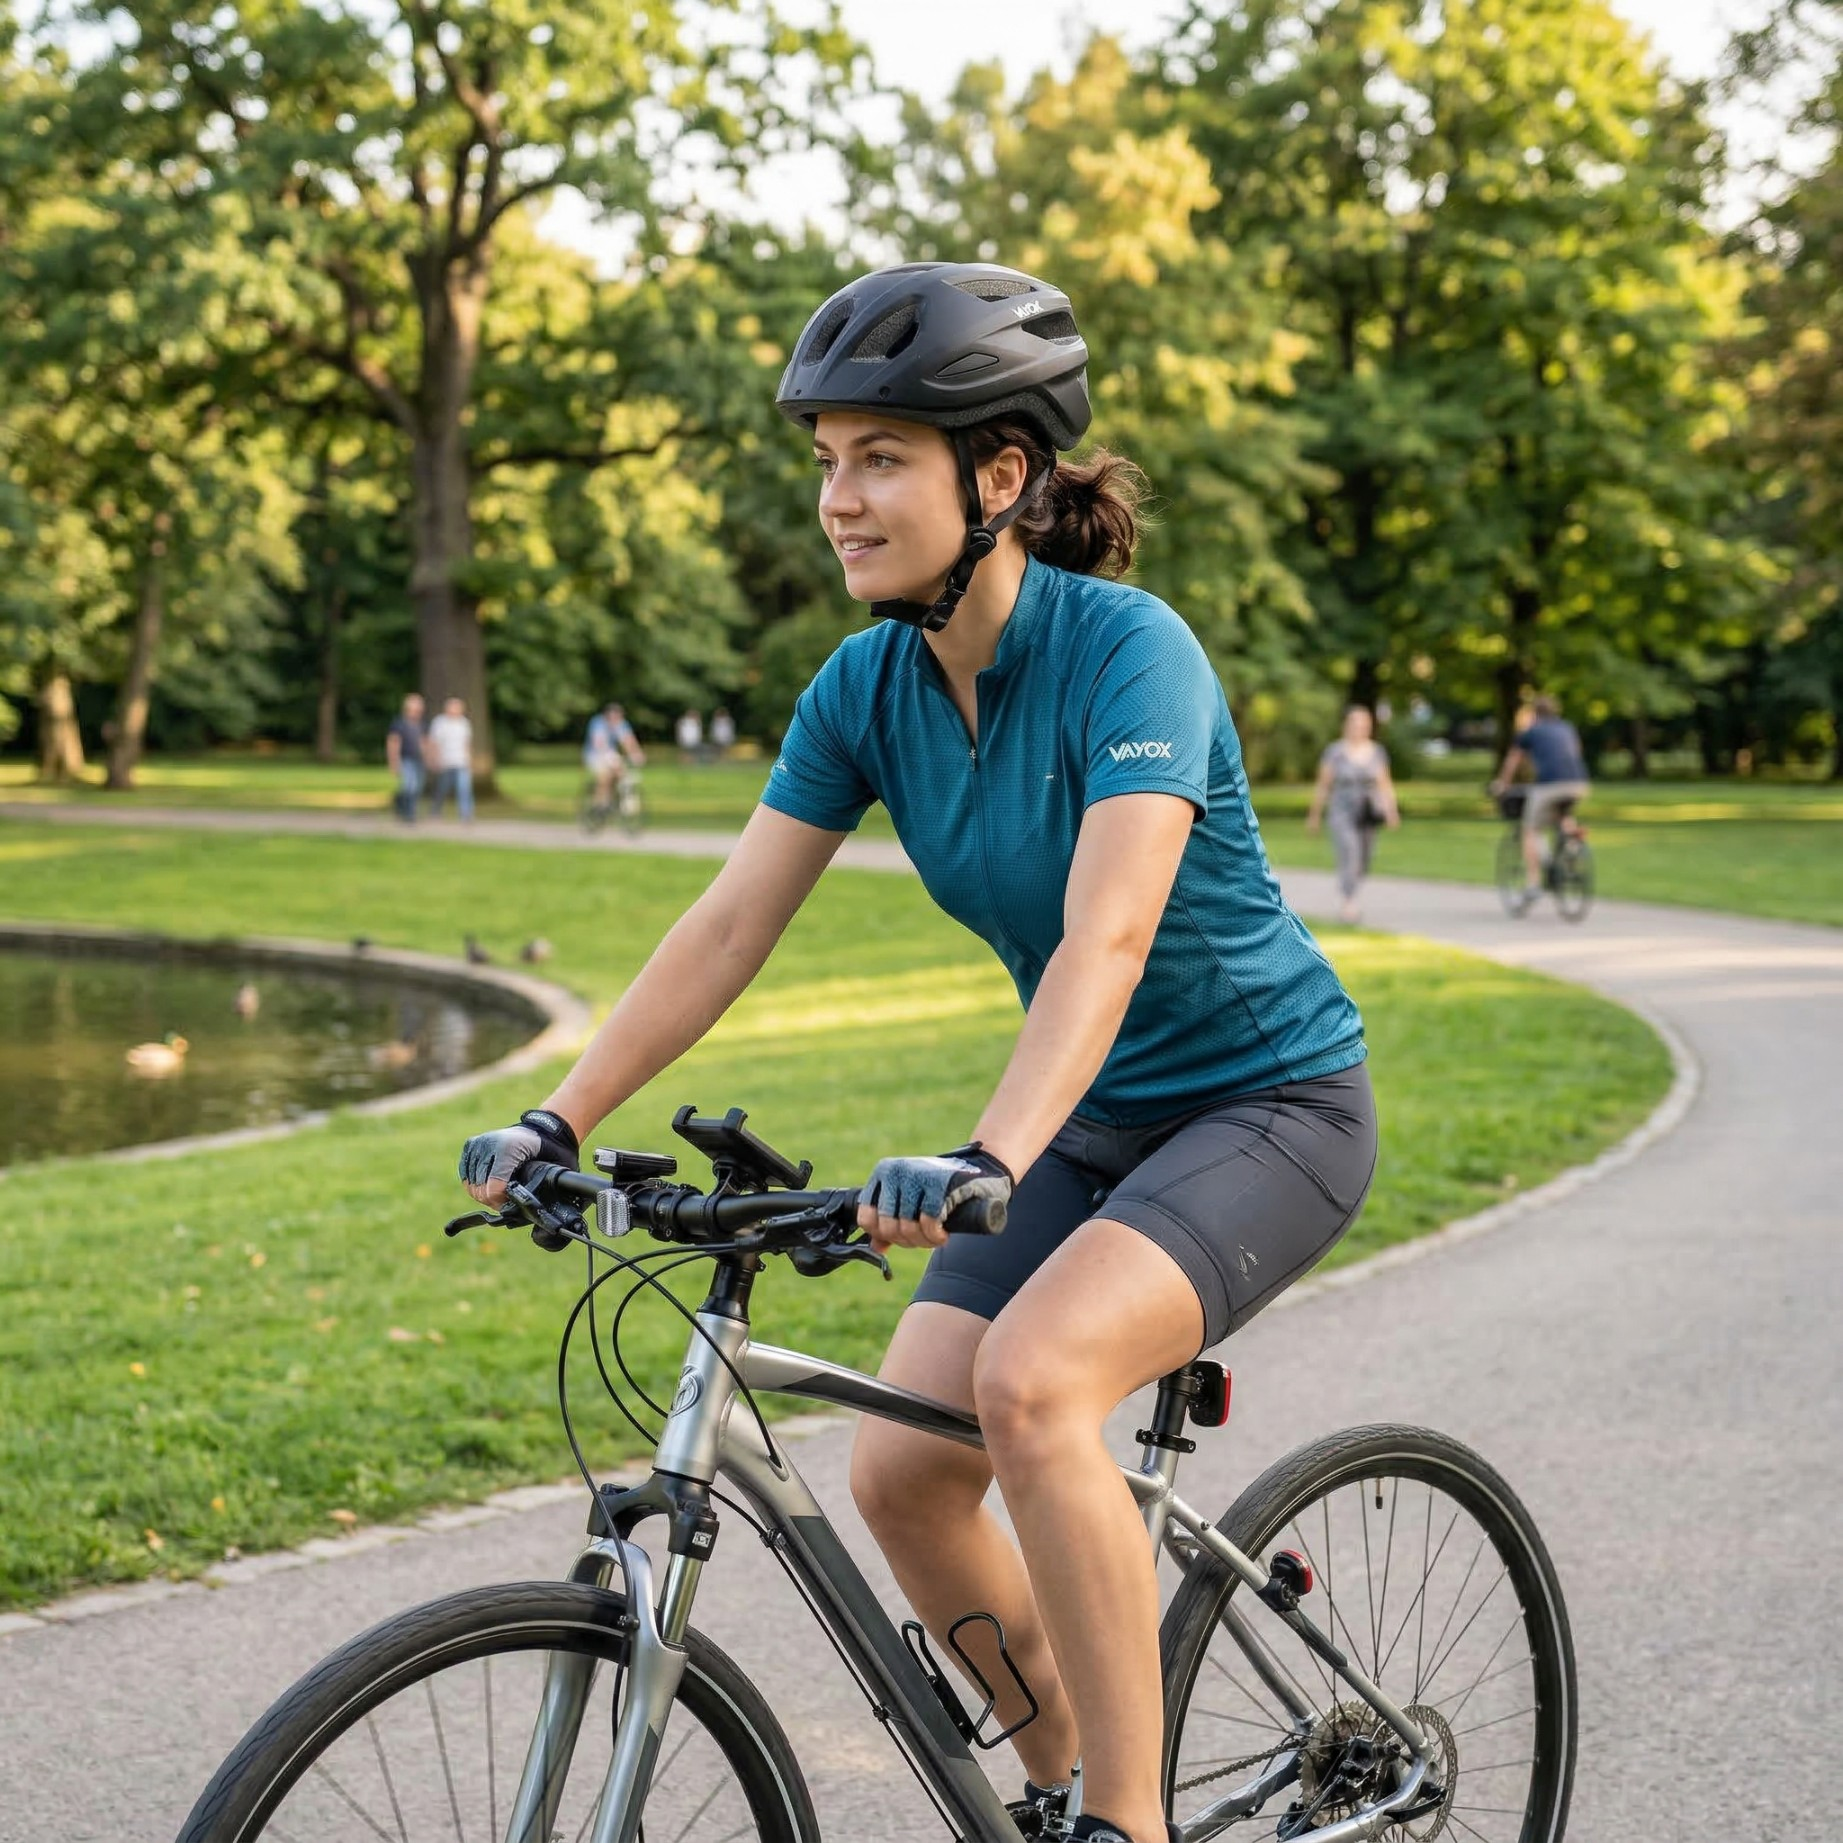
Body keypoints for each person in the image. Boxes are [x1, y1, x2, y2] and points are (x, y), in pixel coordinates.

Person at [457, 261, 1375, 1843]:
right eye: (824, 461)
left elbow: (1107, 936)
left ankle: (1128, 1824)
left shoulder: (1128, 653)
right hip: (1083, 1117)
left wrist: (987, 1155)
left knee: (1028, 1384)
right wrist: (558, 1110)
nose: (837, 497)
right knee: (895, 1466)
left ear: (997, 475)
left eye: (877, 456)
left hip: (1265, 1103)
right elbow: (729, 923)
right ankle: (1052, 1775)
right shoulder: (867, 683)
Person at [1491, 693, 1589, 911]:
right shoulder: (1567, 728)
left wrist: (1502, 784)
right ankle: (1572, 850)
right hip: (1578, 783)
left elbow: (1513, 760)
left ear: (1534, 713)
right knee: (1563, 815)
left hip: (1549, 785)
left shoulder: (1530, 732)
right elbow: (1576, 752)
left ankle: (1533, 883)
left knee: (1530, 829)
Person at [1305, 703, 1401, 923]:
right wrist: (1314, 816)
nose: (1360, 727)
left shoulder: (1376, 751)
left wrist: (1391, 810)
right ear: (1346, 725)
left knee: (1365, 857)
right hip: (1341, 811)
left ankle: (1352, 891)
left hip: (1367, 812)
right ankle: (1349, 902)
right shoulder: (1335, 752)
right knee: (1350, 853)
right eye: (1355, 723)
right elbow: (1323, 785)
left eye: (1364, 723)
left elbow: (1385, 784)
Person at [583, 700, 646, 808]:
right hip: (594, 753)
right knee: (604, 776)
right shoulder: (597, 723)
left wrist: (636, 753)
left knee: (622, 773)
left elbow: (628, 740)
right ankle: (598, 803)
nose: (616, 719)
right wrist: (607, 756)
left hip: (610, 752)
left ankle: (619, 801)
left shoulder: (621, 723)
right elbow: (598, 742)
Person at [426, 695, 474, 821]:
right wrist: (434, 759)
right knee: (442, 788)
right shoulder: (440, 722)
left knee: (464, 788)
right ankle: (435, 810)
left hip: (461, 761)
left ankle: (466, 814)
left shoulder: (464, 723)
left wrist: (469, 759)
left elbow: (466, 743)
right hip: (445, 761)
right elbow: (434, 742)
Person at [385, 693, 426, 823]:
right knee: (410, 786)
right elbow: (393, 742)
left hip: (419, 760)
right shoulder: (399, 724)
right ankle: (409, 814)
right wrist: (393, 761)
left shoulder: (422, 725)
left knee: (417, 787)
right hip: (405, 758)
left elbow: (425, 742)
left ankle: (400, 802)